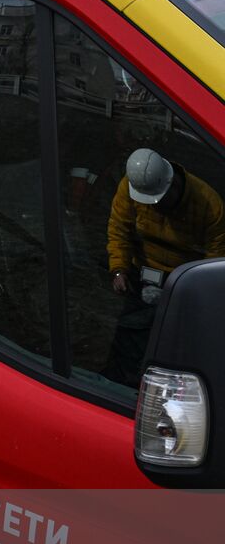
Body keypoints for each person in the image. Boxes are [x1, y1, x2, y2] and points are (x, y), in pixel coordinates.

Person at [103, 147, 225, 384]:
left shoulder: (209, 205)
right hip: (143, 271)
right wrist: (119, 268)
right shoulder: (131, 187)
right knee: (130, 337)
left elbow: (216, 256)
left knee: (177, 342)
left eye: (158, 201)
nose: (154, 207)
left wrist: (198, 294)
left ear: (172, 185)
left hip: (184, 279)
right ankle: (120, 384)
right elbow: (119, 228)